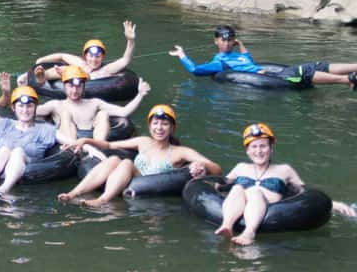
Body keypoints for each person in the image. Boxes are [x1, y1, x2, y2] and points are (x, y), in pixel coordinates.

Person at [213, 122, 355, 244]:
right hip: (240, 206)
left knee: (254, 191)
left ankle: (249, 232)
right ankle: (227, 225)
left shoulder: (285, 170)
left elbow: (306, 193)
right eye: (254, 147)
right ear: (248, 151)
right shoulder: (240, 167)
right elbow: (219, 185)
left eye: (263, 146)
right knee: (237, 188)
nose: (259, 151)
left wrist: (334, 205)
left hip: (270, 211)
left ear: (271, 148)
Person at [57, 104, 221, 206]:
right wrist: (85, 140)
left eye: (164, 124)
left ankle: (102, 200)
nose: (159, 128)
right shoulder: (143, 142)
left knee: (127, 163)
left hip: (149, 188)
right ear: (150, 126)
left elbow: (217, 169)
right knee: (113, 159)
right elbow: (109, 145)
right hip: (130, 180)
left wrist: (201, 165)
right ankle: (74, 193)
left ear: (172, 128)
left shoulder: (180, 151)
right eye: (155, 123)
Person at [171, 24, 357, 89]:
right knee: (306, 70)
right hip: (271, 77)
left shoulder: (238, 56)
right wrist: (182, 55)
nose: (227, 43)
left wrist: (240, 44)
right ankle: (347, 80)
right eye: (223, 40)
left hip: (267, 72)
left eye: (230, 40)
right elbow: (195, 70)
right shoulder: (219, 63)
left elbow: (249, 60)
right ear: (216, 41)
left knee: (318, 64)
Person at [32, 65, 150, 142]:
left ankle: (99, 147)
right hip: (68, 145)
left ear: (84, 86)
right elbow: (31, 111)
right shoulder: (56, 105)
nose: (74, 90)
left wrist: (140, 95)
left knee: (103, 114)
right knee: (65, 114)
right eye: (71, 86)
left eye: (78, 86)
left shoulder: (94, 103)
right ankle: (74, 149)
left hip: (94, 143)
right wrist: (39, 79)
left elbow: (123, 112)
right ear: (64, 86)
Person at [33, 21, 137, 82]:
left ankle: (48, 75)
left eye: (98, 56)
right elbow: (62, 56)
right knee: (66, 69)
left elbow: (125, 60)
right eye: (91, 56)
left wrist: (130, 40)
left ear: (102, 57)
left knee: (69, 70)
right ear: (85, 56)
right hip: (74, 81)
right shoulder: (80, 63)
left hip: (95, 88)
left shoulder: (106, 70)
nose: (94, 60)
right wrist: (41, 60)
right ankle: (42, 76)